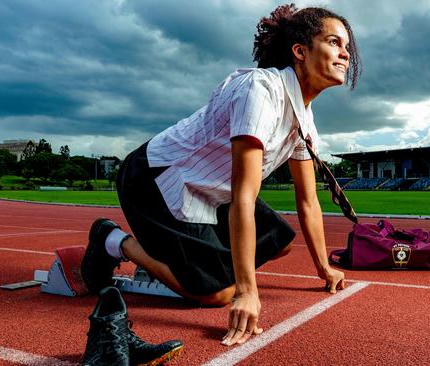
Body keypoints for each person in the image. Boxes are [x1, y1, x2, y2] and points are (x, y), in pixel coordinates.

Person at [81, 3, 361, 347]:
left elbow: (308, 202)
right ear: (300, 51)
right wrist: (246, 291)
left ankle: (194, 259)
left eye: (346, 47)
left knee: (282, 243)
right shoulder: (260, 91)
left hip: (213, 190)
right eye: (334, 42)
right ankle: (112, 240)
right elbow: (245, 195)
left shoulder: (304, 121)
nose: (345, 54)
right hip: (159, 180)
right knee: (218, 293)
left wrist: (324, 268)